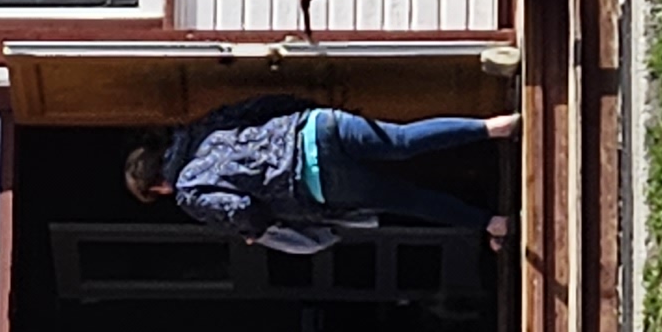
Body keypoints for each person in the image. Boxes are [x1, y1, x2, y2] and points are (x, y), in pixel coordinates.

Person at [123, 100, 519, 252]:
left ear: (157, 185)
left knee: (409, 199)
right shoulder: (201, 127)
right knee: (402, 139)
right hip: (316, 126)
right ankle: (492, 127)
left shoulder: (189, 190)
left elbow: (241, 207)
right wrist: (307, 113)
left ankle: (492, 222)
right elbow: (259, 105)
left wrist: (252, 231)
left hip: (315, 181)